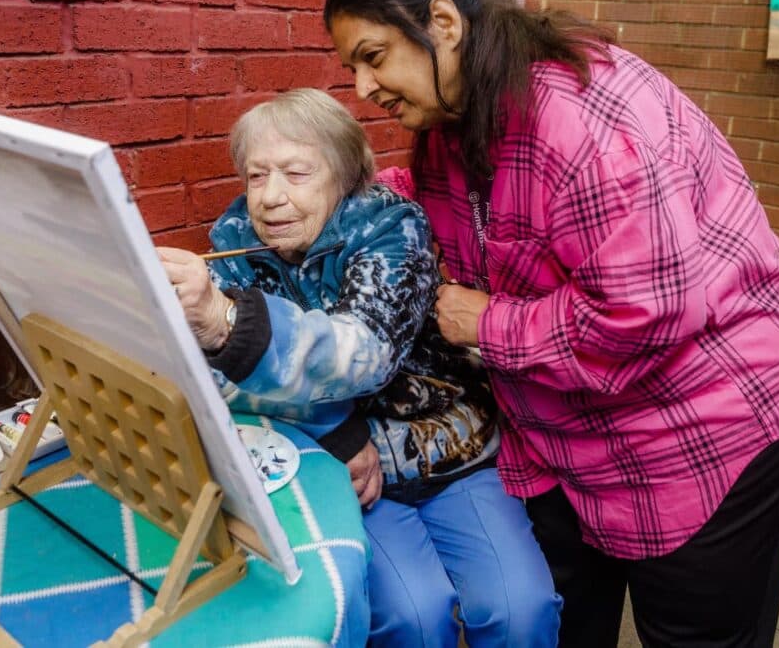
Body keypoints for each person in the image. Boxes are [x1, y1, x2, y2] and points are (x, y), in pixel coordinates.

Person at [323, 0, 779, 648]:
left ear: (443, 23)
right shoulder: (453, 119)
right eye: (352, 67)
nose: (363, 89)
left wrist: (490, 324)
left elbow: (647, 314)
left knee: (695, 632)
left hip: (718, 416)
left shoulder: (579, 125)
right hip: (577, 435)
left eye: (373, 57)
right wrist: (336, 194)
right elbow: (466, 213)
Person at [158, 87, 561, 648]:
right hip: (349, 473)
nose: (271, 197)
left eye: (296, 173)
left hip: (448, 449)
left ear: (344, 176)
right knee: (411, 620)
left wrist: (228, 324)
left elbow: (364, 354)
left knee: (520, 610)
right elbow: (221, 378)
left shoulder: (392, 229)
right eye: (256, 176)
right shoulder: (234, 244)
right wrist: (338, 432)